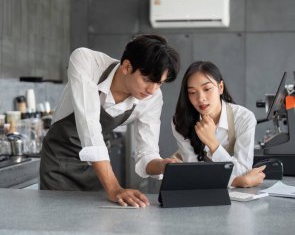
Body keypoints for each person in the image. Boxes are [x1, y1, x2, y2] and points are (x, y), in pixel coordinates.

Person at [40, 34, 180, 207]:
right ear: (127, 66)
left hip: (97, 169)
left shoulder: (152, 98)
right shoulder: (87, 62)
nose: (152, 90)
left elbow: (147, 153)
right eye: (147, 80)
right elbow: (89, 125)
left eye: (160, 83)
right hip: (58, 163)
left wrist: (162, 165)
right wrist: (114, 187)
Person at [172, 61, 265, 188]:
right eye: (192, 92)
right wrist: (238, 182)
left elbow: (243, 171)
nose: (200, 98)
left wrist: (212, 143)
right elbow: (194, 174)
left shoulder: (244, 118)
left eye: (207, 89)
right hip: (192, 193)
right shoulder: (180, 121)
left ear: (220, 87)